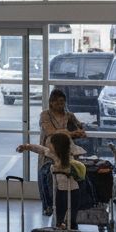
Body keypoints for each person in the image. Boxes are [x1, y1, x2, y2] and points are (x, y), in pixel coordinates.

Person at [36, 89, 87, 217]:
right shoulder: (45, 115)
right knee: (48, 178)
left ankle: (68, 207)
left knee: (67, 177)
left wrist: (80, 130)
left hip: (66, 151)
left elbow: (79, 127)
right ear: (51, 102)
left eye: (63, 103)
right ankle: (49, 206)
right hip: (50, 151)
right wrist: (70, 133)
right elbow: (50, 132)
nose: (61, 106)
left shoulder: (69, 115)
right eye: (58, 103)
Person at [17, 132, 85, 227]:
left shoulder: (70, 156)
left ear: (57, 145)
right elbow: (40, 149)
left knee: (69, 219)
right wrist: (26, 146)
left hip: (72, 192)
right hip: (62, 191)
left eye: (51, 143)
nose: (49, 145)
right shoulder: (54, 154)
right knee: (61, 218)